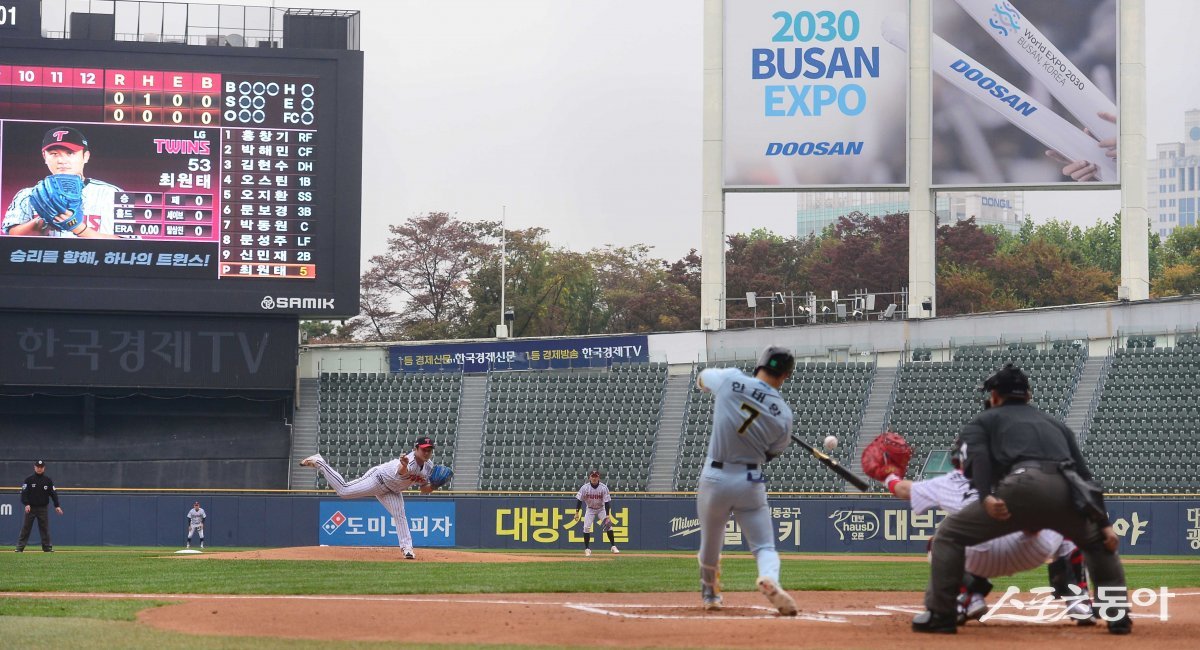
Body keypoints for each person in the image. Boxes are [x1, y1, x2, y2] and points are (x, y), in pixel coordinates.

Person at [913, 363, 1130, 635]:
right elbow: (1085, 477)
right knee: (1098, 544)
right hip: (1065, 490)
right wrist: (1104, 524)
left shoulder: (984, 420)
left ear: (994, 396)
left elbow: (977, 460)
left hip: (1022, 487)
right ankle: (1118, 617)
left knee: (948, 536)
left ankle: (942, 615)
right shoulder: (1056, 425)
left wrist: (986, 496)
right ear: (1028, 395)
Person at [877, 435, 1094, 625]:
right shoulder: (1023, 475)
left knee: (940, 540)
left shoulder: (952, 481)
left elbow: (903, 490)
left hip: (978, 559)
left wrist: (888, 475)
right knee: (1067, 522)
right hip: (1031, 551)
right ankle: (1078, 600)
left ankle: (968, 598)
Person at [694, 346, 798, 615]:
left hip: (715, 477)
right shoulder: (784, 414)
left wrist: (709, 387)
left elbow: (702, 379)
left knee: (711, 543)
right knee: (764, 546)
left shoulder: (730, 378)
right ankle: (770, 578)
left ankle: (711, 595)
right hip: (750, 479)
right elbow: (770, 453)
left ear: (760, 364)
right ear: (785, 375)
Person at [300, 436, 440, 559]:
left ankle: (407, 549)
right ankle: (320, 462)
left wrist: (434, 485)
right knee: (344, 491)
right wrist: (403, 465)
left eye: (429, 450)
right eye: (424, 449)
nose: (427, 452)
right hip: (378, 479)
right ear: (416, 449)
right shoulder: (408, 460)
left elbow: (423, 489)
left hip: (392, 491)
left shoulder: (429, 466)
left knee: (399, 514)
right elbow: (401, 471)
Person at [3, 126, 122, 239]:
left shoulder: (112, 194)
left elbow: (128, 245)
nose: (61, 160)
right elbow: (11, 237)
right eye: (54, 154)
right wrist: (44, 219)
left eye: (70, 153)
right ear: (44, 157)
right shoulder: (27, 195)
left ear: (85, 156)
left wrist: (78, 227)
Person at [16, 460, 63, 553]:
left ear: (44, 468)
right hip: (31, 508)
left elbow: (53, 493)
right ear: (34, 467)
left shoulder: (48, 480)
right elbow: (24, 493)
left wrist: (57, 506)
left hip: (43, 508)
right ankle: (19, 547)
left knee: (44, 528)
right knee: (26, 528)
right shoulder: (29, 480)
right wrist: (27, 504)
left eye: (41, 467)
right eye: (38, 467)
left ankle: (47, 548)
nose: (39, 469)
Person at [570, 469, 619, 556]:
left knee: (609, 526)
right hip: (590, 509)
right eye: (592, 476)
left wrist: (608, 515)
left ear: (598, 477)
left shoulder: (603, 488)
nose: (594, 478)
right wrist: (577, 512)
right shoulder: (585, 488)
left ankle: (613, 546)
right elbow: (579, 500)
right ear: (589, 477)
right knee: (586, 528)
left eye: (596, 476)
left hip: (601, 509)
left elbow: (607, 502)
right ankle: (587, 549)